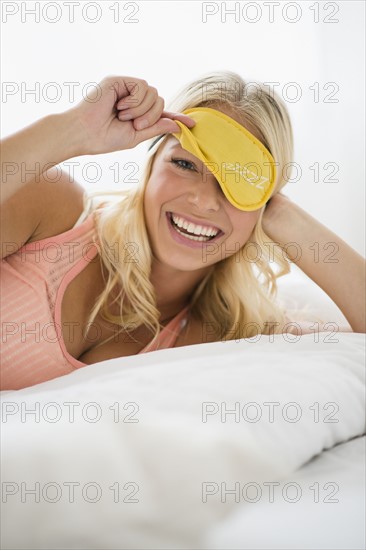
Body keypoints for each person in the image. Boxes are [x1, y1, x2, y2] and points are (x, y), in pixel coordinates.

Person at [1, 71, 364, 391]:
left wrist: (288, 221)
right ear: (152, 161)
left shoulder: (225, 337)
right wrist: (73, 130)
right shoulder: (52, 213)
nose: (204, 201)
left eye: (237, 184)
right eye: (185, 163)